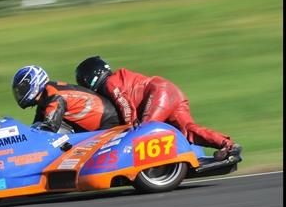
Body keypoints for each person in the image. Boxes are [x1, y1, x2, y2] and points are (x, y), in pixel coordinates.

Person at [74, 56, 241, 161]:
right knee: (188, 130)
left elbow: (124, 103)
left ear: (90, 77)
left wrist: (128, 127)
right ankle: (228, 145)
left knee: (145, 130)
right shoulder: (115, 80)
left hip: (159, 93)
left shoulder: (110, 82)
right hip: (170, 91)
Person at [12, 65, 120, 133]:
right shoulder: (44, 98)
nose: (20, 94)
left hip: (107, 123)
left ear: (34, 83)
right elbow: (34, 129)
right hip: (100, 122)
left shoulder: (54, 96)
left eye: (22, 89)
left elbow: (49, 128)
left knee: (58, 132)